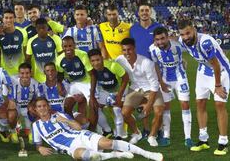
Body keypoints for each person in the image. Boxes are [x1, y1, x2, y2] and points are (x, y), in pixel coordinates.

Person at [32, 97, 164, 161]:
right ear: (36, 110)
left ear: (48, 106)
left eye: (44, 105)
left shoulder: (59, 115)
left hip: (81, 136)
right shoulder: (36, 126)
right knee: (87, 156)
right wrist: (40, 148)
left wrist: (65, 120)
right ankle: (115, 154)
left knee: (109, 143)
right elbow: (38, 144)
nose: (42, 108)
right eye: (39, 107)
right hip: (71, 147)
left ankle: (148, 154)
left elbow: (78, 127)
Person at [178, 19, 229, 155]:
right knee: (200, 103)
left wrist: (218, 85)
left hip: (221, 72)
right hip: (203, 72)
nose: (185, 37)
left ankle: (223, 143)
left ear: (194, 29)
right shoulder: (183, 40)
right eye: (182, 34)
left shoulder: (205, 42)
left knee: (219, 105)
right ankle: (203, 140)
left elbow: (216, 65)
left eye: (188, 33)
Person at [149, 27, 193, 147]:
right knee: (166, 106)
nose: (160, 42)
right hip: (164, 80)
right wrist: (161, 83)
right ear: (154, 40)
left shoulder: (178, 45)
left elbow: (192, 44)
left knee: (185, 104)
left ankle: (188, 137)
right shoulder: (152, 49)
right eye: (157, 39)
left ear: (167, 37)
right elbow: (156, 66)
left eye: (163, 38)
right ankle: (166, 135)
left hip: (180, 77)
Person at [116, 38, 164, 147]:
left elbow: (154, 85)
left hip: (150, 88)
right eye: (124, 50)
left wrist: (149, 105)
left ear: (134, 49)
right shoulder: (119, 60)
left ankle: (152, 136)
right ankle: (136, 133)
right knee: (124, 113)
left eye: (129, 49)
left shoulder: (146, 63)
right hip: (135, 88)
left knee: (159, 111)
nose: (127, 52)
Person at [88, 48, 129, 139]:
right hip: (106, 91)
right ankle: (107, 130)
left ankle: (119, 135)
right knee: (94, 107)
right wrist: (92, 97)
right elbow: (93, 82)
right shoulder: (92, 70)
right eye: (93, 61)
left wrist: (119, 95)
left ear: (102, 58)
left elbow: (126, 78)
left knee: (116, 109)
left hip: (120, 89)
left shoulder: (113, 66)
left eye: (98, 60)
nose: (96, 63)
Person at [55, 36, 92, 118]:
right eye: (65, 46)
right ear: (62, 47)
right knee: (67, 106)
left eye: (70, 46)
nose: (68, 49)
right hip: (73, 84)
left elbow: (92, 73)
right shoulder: (59, 59)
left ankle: (104, 129)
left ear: (74, 45)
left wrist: (91, 91)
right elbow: (60, 75)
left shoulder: (82, 55)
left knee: (93, 105)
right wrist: (59, 85)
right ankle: (75, 127)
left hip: (87, 82)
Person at [7, 62, 39, 144]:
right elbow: (10, 98)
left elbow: (38, 99)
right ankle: (13, 131)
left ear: (31, 73)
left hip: (28, 107)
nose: (24, 76)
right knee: (11, 114)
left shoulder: (35, 83)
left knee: (37, 109)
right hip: (17, 106)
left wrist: (32, 105)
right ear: (19, 73)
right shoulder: (13, 82)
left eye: (27, 73)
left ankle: (30, 131)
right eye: (22, 73)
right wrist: (12, 105)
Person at [25, 18, 62, 83]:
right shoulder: (31, 41)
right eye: (39, 28)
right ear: (36, 28)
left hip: (54, 77)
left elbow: (61, 56)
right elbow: (28, 59)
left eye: (43, 27)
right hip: (37, 78)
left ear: (47, 27)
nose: (41, 30)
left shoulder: (56, 38)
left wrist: (60, 73)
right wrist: (29, 72)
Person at [0, 9, 28, 77]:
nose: (8, 20)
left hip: (20, 72)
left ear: (14, 19)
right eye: (6, 18)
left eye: (11, 18)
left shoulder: (22, 32)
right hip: (4, 73)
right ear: (3, 19)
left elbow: (26, 53)